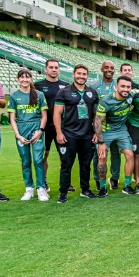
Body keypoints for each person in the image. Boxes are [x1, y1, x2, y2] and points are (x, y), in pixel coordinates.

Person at [53, 64, 100, 203]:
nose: (81, 76)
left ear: (87, 76)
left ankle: (85, 190)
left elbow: (96, 115)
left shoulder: (92, 92)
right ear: (73, 74)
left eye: (84, 74)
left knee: (85, 164)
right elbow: (57, 113)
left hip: (87, 134)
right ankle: (63, 192)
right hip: (69, 134)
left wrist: (97, 132)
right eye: (78, 73)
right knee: (66, 164)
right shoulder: (64, 92)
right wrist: (59, 133)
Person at [8, 70, 48, 201]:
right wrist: (18, 135)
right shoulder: (14, 96)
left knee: (38, 160)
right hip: (21, 131)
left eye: (27, 77)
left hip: (36, 129)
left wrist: (40, 131)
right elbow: (12, 118)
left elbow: (44, 116)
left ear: (31, 79)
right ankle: (29, 189)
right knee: (25, 161)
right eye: (22, 77)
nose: (25, 80)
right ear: (18, 79)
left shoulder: (39, 95)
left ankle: (41, 189)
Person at [93, 76, 137, 197]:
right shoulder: (106, 101)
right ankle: (102, 188)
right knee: (102, 157)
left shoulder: (131, 96)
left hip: (122, 129)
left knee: (130, 154)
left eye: (128, 87)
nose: (125, 89)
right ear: (116, 87)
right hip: (106, 131)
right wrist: (101, 142)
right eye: (122, 86)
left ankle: (127, 185)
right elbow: (98, 122)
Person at [35, 59, 70, 192]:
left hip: (62, 126)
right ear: (46, 69)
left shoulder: (66, 86)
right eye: (51, 67)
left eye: (56, 67)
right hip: (44, 126)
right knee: (44, 155)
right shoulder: (37, 85)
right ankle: (43, 181)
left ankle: (65, 182)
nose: (54, 70)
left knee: (65, 156)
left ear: (59, 70)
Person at [91, 60, 121, 191]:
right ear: (102, 69)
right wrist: (95, 129)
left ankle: (115, 178)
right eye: (107, 67)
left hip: (116, 126)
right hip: (100, 127)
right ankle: (98, 179)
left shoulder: (118, 85)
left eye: (112, 68)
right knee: (98, 154)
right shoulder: (94, 86)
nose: (110, 70)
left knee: (116, 153)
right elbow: (92, 108)